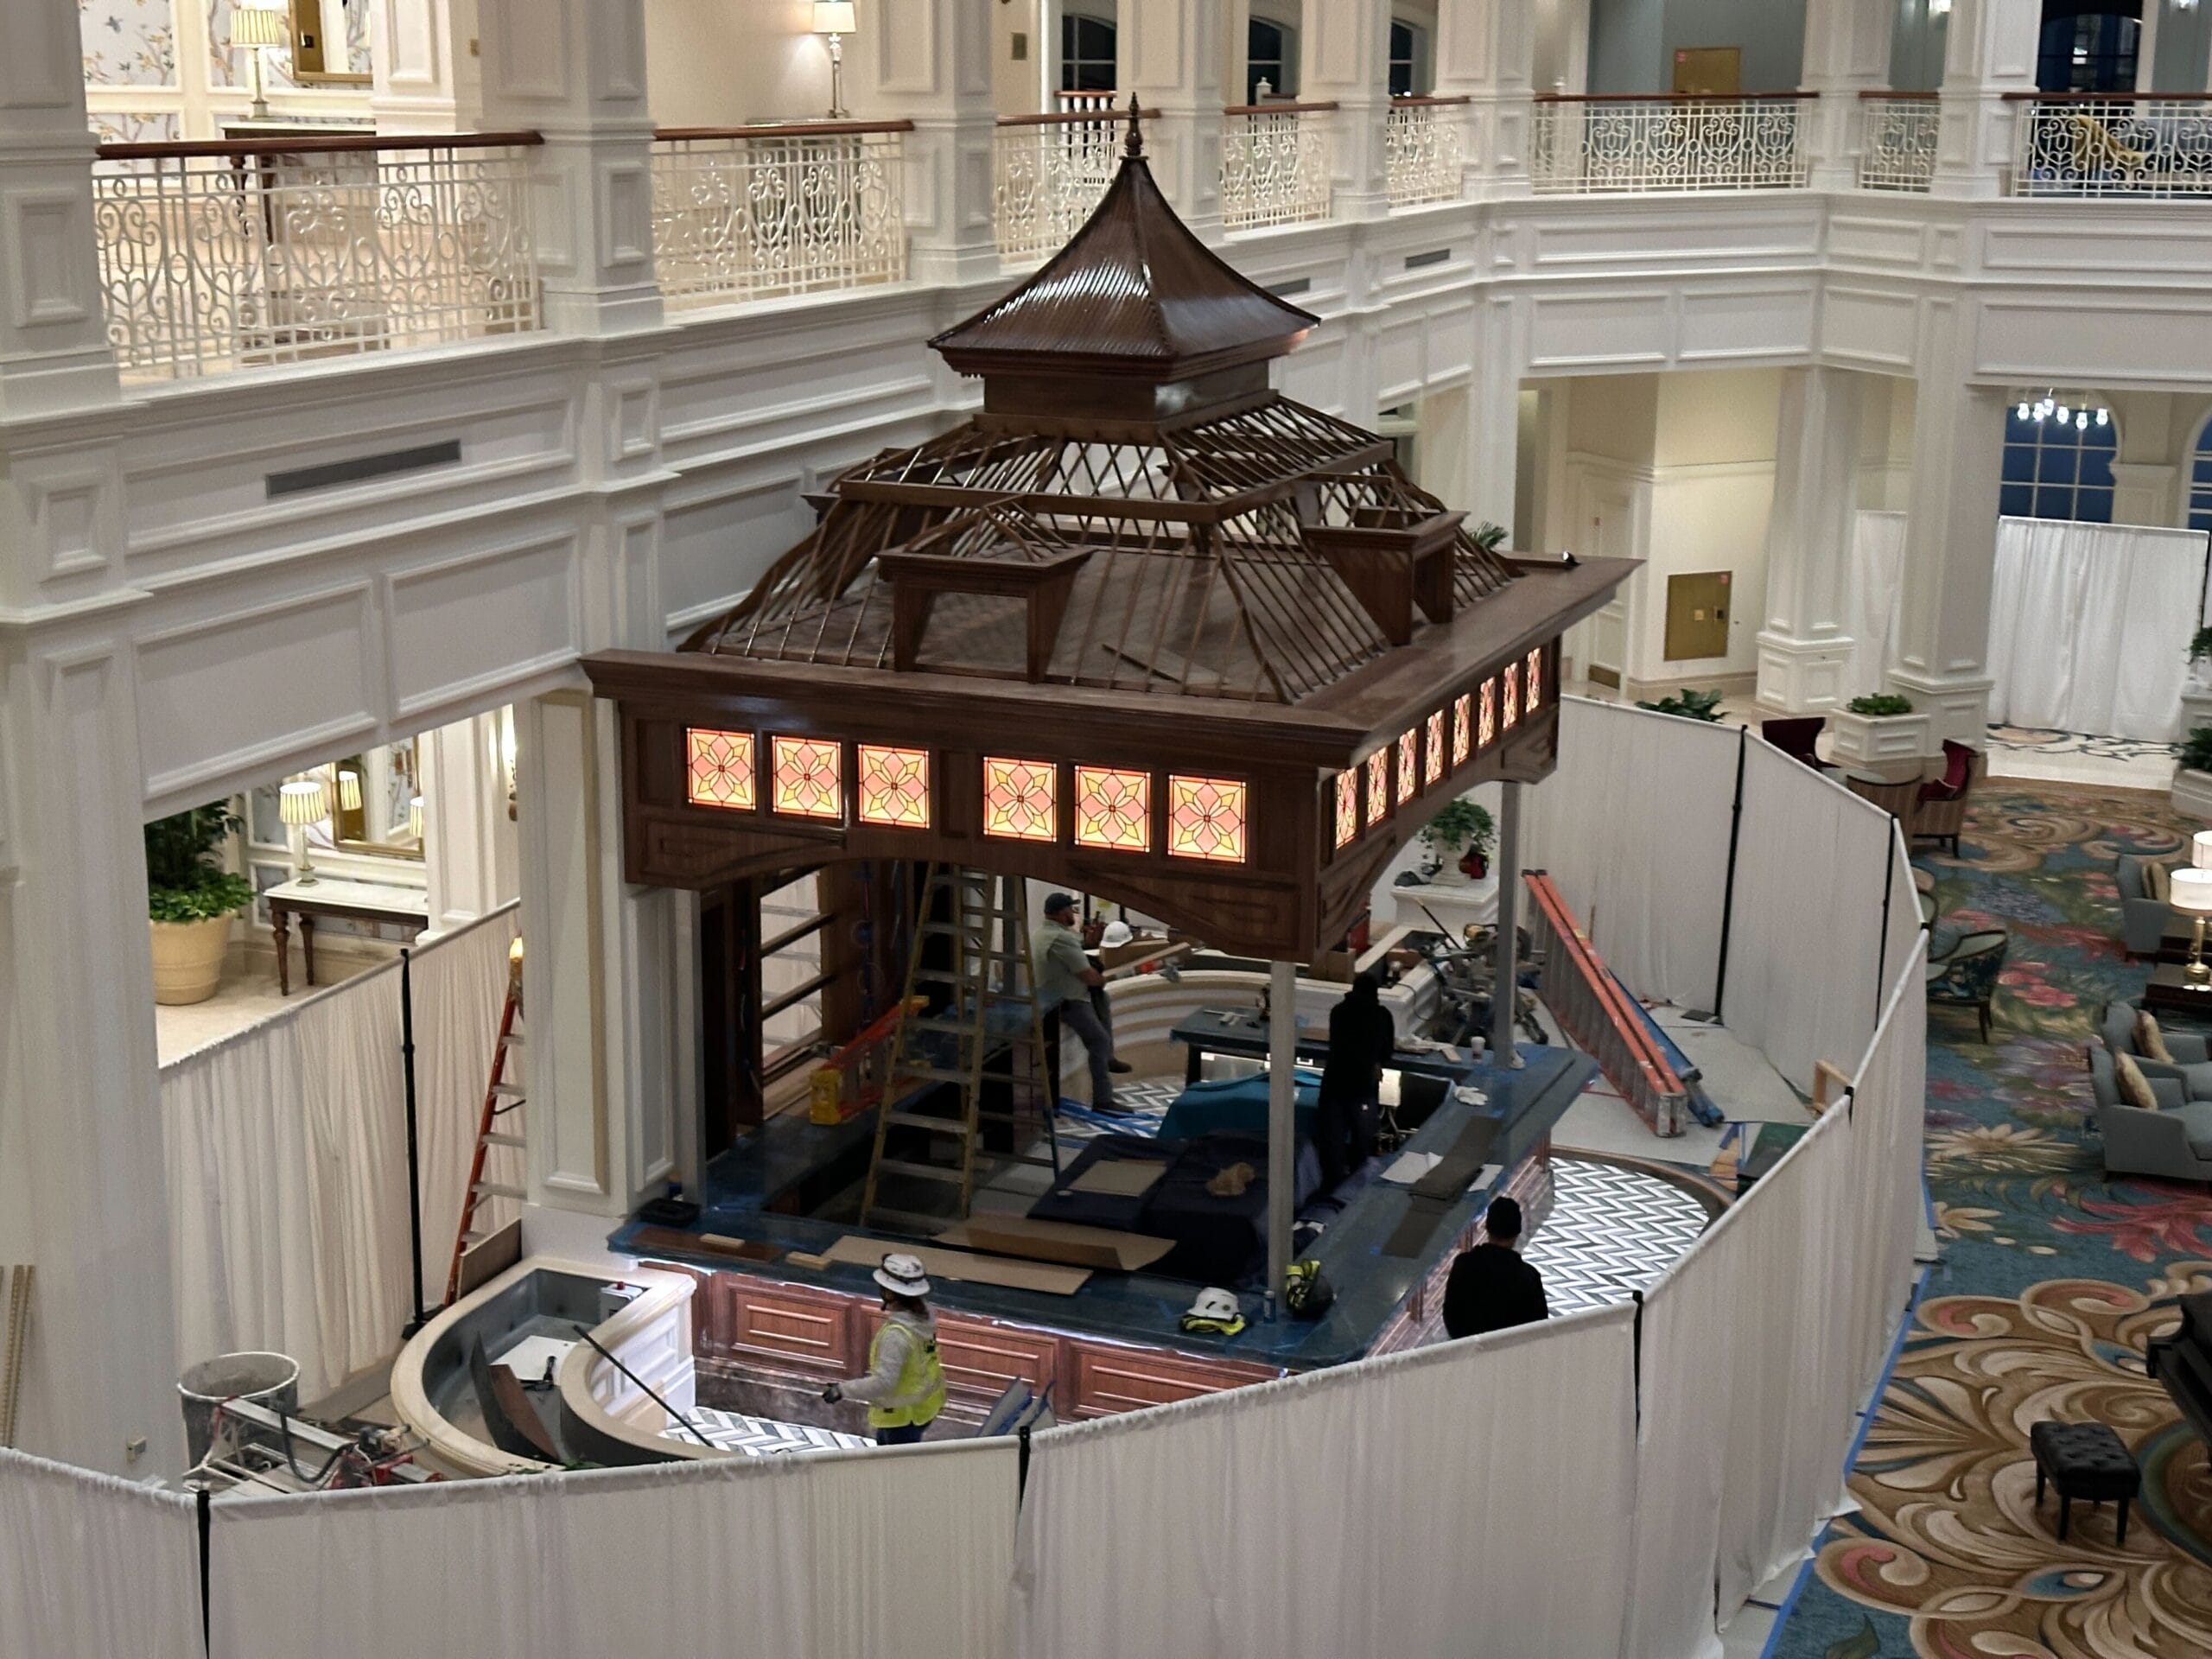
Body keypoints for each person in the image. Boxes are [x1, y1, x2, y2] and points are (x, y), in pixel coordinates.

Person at [823, 1253, 947, 1445]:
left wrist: (842, 1390)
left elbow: (884, 1383)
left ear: (889, 1293)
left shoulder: (896, 1336)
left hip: (903, 1415)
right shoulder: (924, 1317)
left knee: (894, 1467)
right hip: (924, 1406)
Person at [1034, 892, 1125, 1112]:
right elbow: (1088, 976)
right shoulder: (1062, 938)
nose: (1073, 913)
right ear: (1062, 912)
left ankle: (1109, 1057)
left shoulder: (1042, 933)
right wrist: (1103, 978)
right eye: (1071, 909)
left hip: (1049, 996)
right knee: (1099, 1041)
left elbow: (1076, 954)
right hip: (1066, 1002)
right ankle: (1103, 1100)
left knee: (1101, 999)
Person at [1314, 972, 1395, 1186]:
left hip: (1334, 1087)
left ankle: (1332, 1191)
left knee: (1333, 1147)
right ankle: (1356, 1194)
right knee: (1363, 1147)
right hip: (1363, 1090)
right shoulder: (1381, 1015)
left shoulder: (1338, 1012)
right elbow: (1387, 1052)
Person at [1441, 1197, 1548, 1340]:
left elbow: (1451, 1315)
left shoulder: (1464, 1265)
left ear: (1487, 1228)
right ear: (1517, 1233)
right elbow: (1538, 1328)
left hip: (1468, 1353)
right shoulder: (1528, 1277)